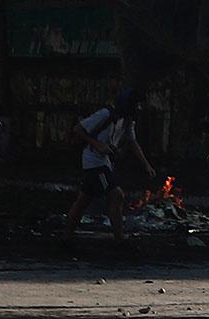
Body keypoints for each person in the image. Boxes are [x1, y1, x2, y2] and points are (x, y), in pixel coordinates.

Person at [62, 88, 156, 246]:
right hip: (94, 162)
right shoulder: (105, 114)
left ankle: (66, 238)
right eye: (137, 105)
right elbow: (79, 129)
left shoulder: (127, 121)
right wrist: (97, 145)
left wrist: (146, 164)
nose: (139, 108)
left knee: (83, 201)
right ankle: (119, 239)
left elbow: (132, 142)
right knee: (116, 195)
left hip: (104, 163)